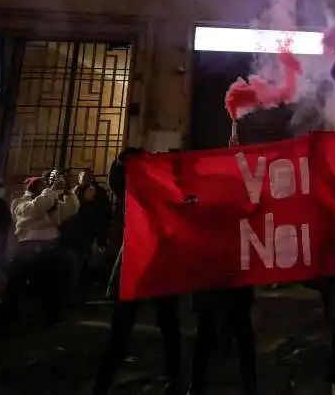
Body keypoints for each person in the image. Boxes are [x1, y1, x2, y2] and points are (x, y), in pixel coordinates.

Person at [91, 148, 181, 395]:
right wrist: (128, 159)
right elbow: (116, 179)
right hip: (138, 262)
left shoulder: (168, 192)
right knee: (124, 326)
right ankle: (103, 383)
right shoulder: (134, 191)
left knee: (166, 323)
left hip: (159, 264)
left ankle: (175, 378)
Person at [187, 132, 257, 395]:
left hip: (234, 271)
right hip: (212, 273)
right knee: (208, 331)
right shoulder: (203, 196)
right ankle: (198, 383)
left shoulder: (244, 193)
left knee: (240, 330)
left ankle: (248, 383)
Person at [0, 172, 80, 328]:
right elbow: (36, 209)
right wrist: (50, 194)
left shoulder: (49, 202)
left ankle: (51, 316)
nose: (46, 187)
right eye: (42, 185)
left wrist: (67, 192)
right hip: (28, 248)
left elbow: (70, 210)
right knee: (15, 285)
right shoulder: (20, 203)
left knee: (53, 284)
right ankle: (6, 318)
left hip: (50, 248)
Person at [60, 169, 112, 296]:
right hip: (75, 231)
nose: (85, 179)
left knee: (89, 259)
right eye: (83, 176)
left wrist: (101, 231)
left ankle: (86, 285)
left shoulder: (99, 192)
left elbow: (104, 212)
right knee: (76, 259)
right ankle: (75, 287)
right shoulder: (74, 191)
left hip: (92, 230)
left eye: (88, 176)